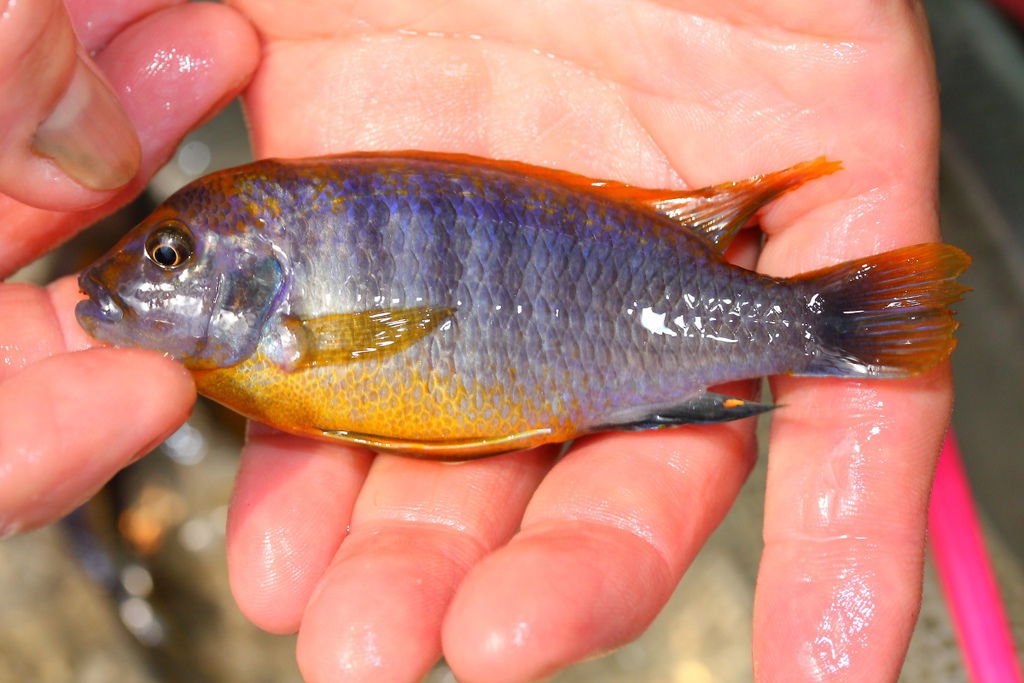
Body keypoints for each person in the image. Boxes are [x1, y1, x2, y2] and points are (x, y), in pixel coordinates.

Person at [0, 1, 951, 681]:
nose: (140, 274)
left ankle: (823, 321)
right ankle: (820, 323)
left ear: (252, 264)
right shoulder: (239, 362)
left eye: (169, 253)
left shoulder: (257, 355)